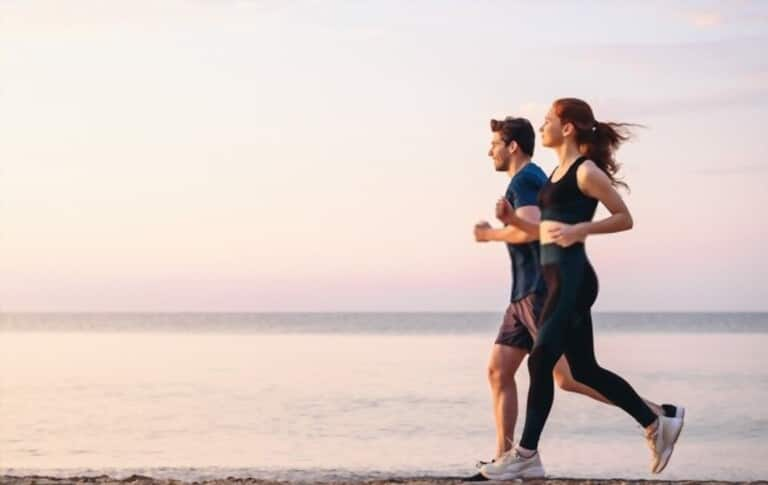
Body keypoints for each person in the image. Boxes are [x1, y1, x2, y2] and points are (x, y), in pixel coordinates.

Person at [479, 100, 684, 480]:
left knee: (543, 363)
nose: (542, 127)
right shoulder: (555, 173)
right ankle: (657, 420)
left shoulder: (585, 172)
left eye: (547, 121)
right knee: (584, 370)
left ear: (568, 127)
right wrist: (509, 224)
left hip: (573, 280)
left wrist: (582, 230)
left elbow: (625, 217)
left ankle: (526, 455)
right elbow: (547, 230)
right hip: (557, 277)